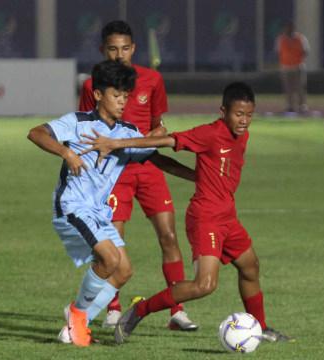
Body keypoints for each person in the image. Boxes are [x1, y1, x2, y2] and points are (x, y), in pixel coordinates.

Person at [79, 82, 295, 345]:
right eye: (238, 114)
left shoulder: (241, 135)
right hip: (206, 218)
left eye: (249, 115)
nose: (244, 121)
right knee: (205, 285)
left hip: (228, 216)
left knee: (251, 267)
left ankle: (260, 327)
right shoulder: (209, 133)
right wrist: (115, 143)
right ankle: (139, 310)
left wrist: (196, 174)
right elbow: (167, 141)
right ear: (223, 111)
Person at [27, 59, 194, 346]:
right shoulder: (77, 122)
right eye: (117, 95)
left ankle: (74, 325)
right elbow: (36, 133)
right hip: (73, 206)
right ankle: (78, 317)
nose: (122, 101)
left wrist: (198, 176)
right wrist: (67, 154)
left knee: (124, 270)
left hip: (97, 211)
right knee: (111, 259)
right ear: (98, 94)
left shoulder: (127, 133)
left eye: (126, 96)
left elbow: (159, 160)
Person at [78, 20, 198, 331]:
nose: (119, 55)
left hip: (149, 168)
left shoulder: (152, 80)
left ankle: (177, 311)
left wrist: (156, 133)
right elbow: (86, 130)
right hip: (113, 175)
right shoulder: (92, 85)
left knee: (169, 236)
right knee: (112, 245)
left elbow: (159, 125)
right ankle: (113, 309)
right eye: (112, 49)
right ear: (103, 50)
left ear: (133, 48)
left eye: (125, 48)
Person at [275, 20, 310, 114]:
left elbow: (306, 51)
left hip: (298, 66)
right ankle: (290, 106)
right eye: (287, 27)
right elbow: (278, 52)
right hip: (286, 67)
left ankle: (302, 106)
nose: (288, 29)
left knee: (300, 87)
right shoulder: (281, 39)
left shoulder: (300, 38)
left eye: (290, 27)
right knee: (288, 88)